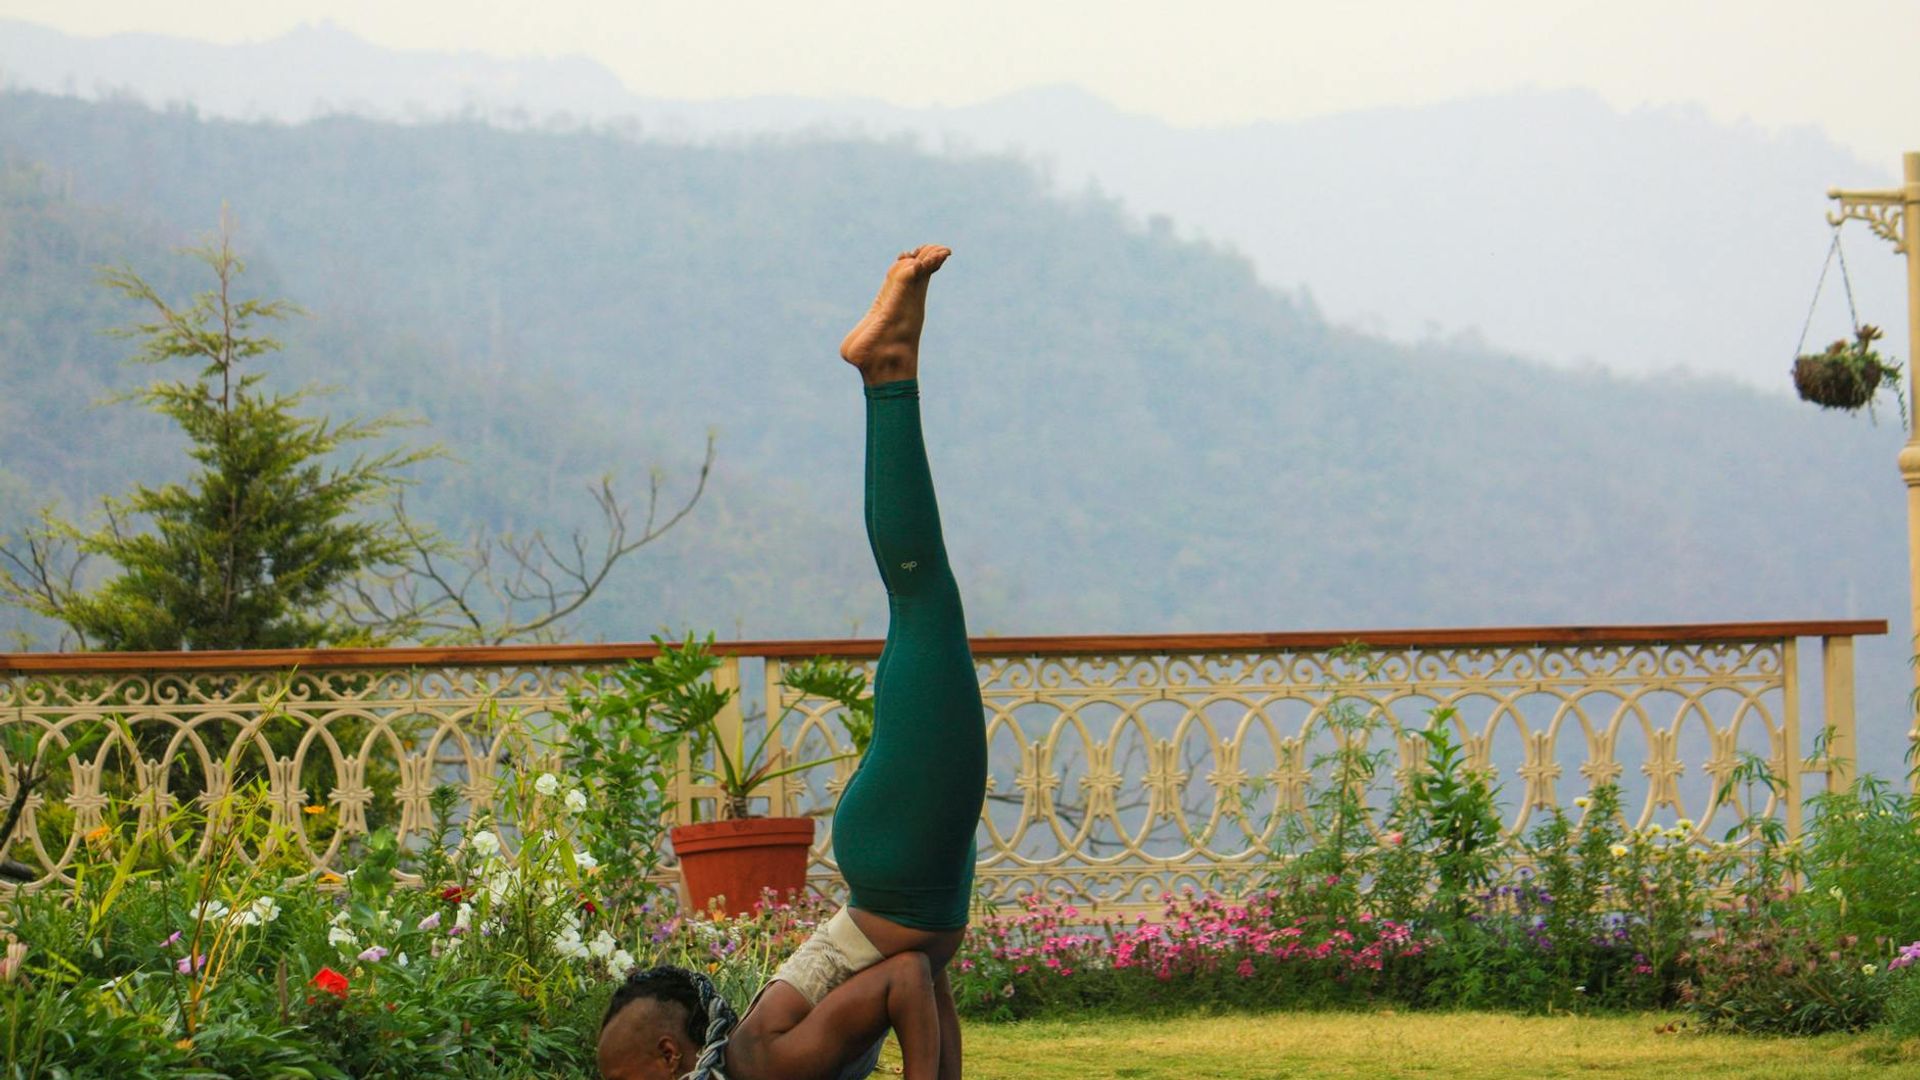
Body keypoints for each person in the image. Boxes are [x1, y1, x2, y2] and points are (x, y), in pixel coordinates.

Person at [599, 245, 984, 1080]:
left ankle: (887, 373)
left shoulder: (763, 1067)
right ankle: (889, 370)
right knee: (921, 599)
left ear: (671, 1057)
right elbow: (929, 976)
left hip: (898, 872)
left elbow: (908, 981)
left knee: (921, 596)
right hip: (907, 884)